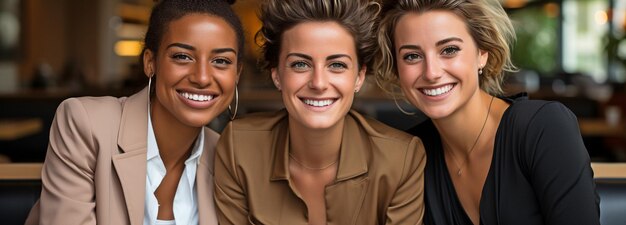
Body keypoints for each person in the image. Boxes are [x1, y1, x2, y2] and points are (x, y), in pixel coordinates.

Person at [374, 0, 600, 224]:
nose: (431, 72)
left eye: (449, 50)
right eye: (412, 56)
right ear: (397, 68)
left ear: (482, 53)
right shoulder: (411, 155)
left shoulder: (543, 128)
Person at [25, 0, 244, 224]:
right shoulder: (86, 124)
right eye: (182, 56)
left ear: (236, 74)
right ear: (150, 63)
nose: (202, 77)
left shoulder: (227, 159)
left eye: (221, 61)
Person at [214, 0, 426, 224]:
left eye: (337, 65)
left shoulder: (401, 159)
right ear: (276, 75)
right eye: (300, 64)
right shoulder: (239, 148)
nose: (318, 83)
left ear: (359, 76)